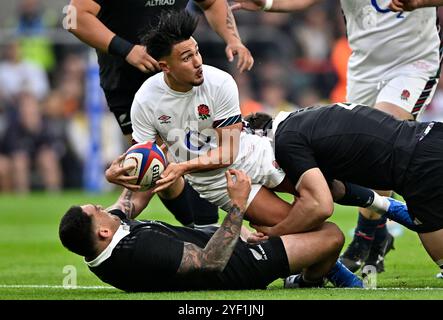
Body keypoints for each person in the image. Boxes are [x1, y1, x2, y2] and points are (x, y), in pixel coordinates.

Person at [231, 0, 442, 275]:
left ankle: (367, 240)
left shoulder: (287, 137)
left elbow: (319, 205)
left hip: (413, 62)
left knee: (386, 144)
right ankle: (376, 237)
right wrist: (268, 3)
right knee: (358, 160)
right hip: (363, 67)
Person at [67, 0, 255, 229]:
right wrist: (127, 50)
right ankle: (203, 230)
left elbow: (213, 2)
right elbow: (74, 17)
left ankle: (207, 229)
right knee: (153, 166)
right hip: (127, 81)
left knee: (198, 152)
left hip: (180, 72)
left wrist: (233, 39)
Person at [106, 10, 293, 228]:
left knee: (320, 201)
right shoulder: (145, 101)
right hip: (217, 183)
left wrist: (183, 167)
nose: (197, 62)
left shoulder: (219, 82)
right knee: (289, 225)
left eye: (197, 52)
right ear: (165, 67)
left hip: (252, 157)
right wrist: (119, 176)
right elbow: (148, 164)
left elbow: (228, 152)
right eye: (186, 58)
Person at [59, 169, 364, 292]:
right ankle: (306, 282)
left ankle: (307, 269)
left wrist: (133, 167)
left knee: (284, 224)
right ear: (102, 232)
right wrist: (237, 206)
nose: (104, 207)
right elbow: (211, 262)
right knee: (331, 235)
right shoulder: (138, 251)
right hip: (239, 268)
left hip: (220, 241)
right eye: (99, 211)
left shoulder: (107, 238)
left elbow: (128, 202)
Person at [245, 103, 443, 279]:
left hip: (418, 168)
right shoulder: (301, 120)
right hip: (431, 134)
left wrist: (276, 234)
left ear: (260, 138)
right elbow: (336, 190)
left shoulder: (285, 141)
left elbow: (318, 206)